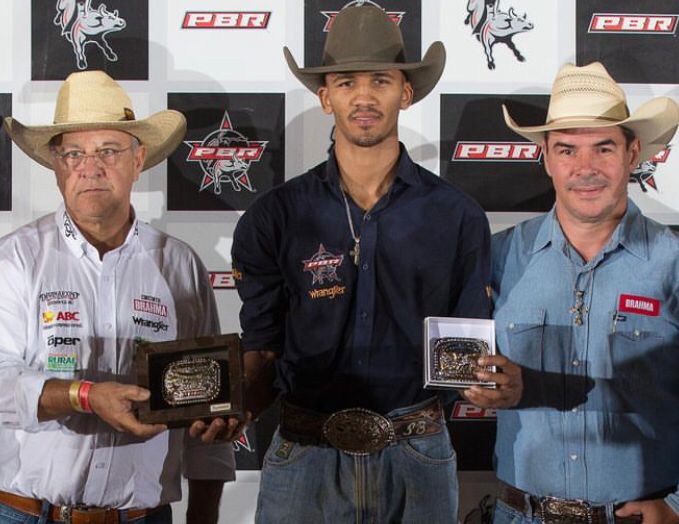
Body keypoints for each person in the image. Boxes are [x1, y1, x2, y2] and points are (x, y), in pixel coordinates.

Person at [231, 5, 490, 523]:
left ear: (406, 92)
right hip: (305, 454)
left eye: (381, 80)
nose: (365, 97)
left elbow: (467, 357)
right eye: (347, 82)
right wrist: (228, 406)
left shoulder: (456, 216)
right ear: (325, 97)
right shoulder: (273, 217)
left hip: (416, 454)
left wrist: (489, 384)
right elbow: (261, 349)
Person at [0, 70, 236, 524]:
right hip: (27, 514)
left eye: (108, 150)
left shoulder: (179, 265)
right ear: (55, 165)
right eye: (74, 153)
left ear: (138, 158)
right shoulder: (16, 259)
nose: (90, 167)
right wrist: (84, 395)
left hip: (144, 517)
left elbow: (210, 403)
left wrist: (204, 515)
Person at [463, 62, 679, 524]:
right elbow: (458, 369)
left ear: (633, 152)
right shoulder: (499, 257)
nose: (586, 169)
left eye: (603, 148)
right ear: (546, 157)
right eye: (567, 150)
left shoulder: (674, 262)